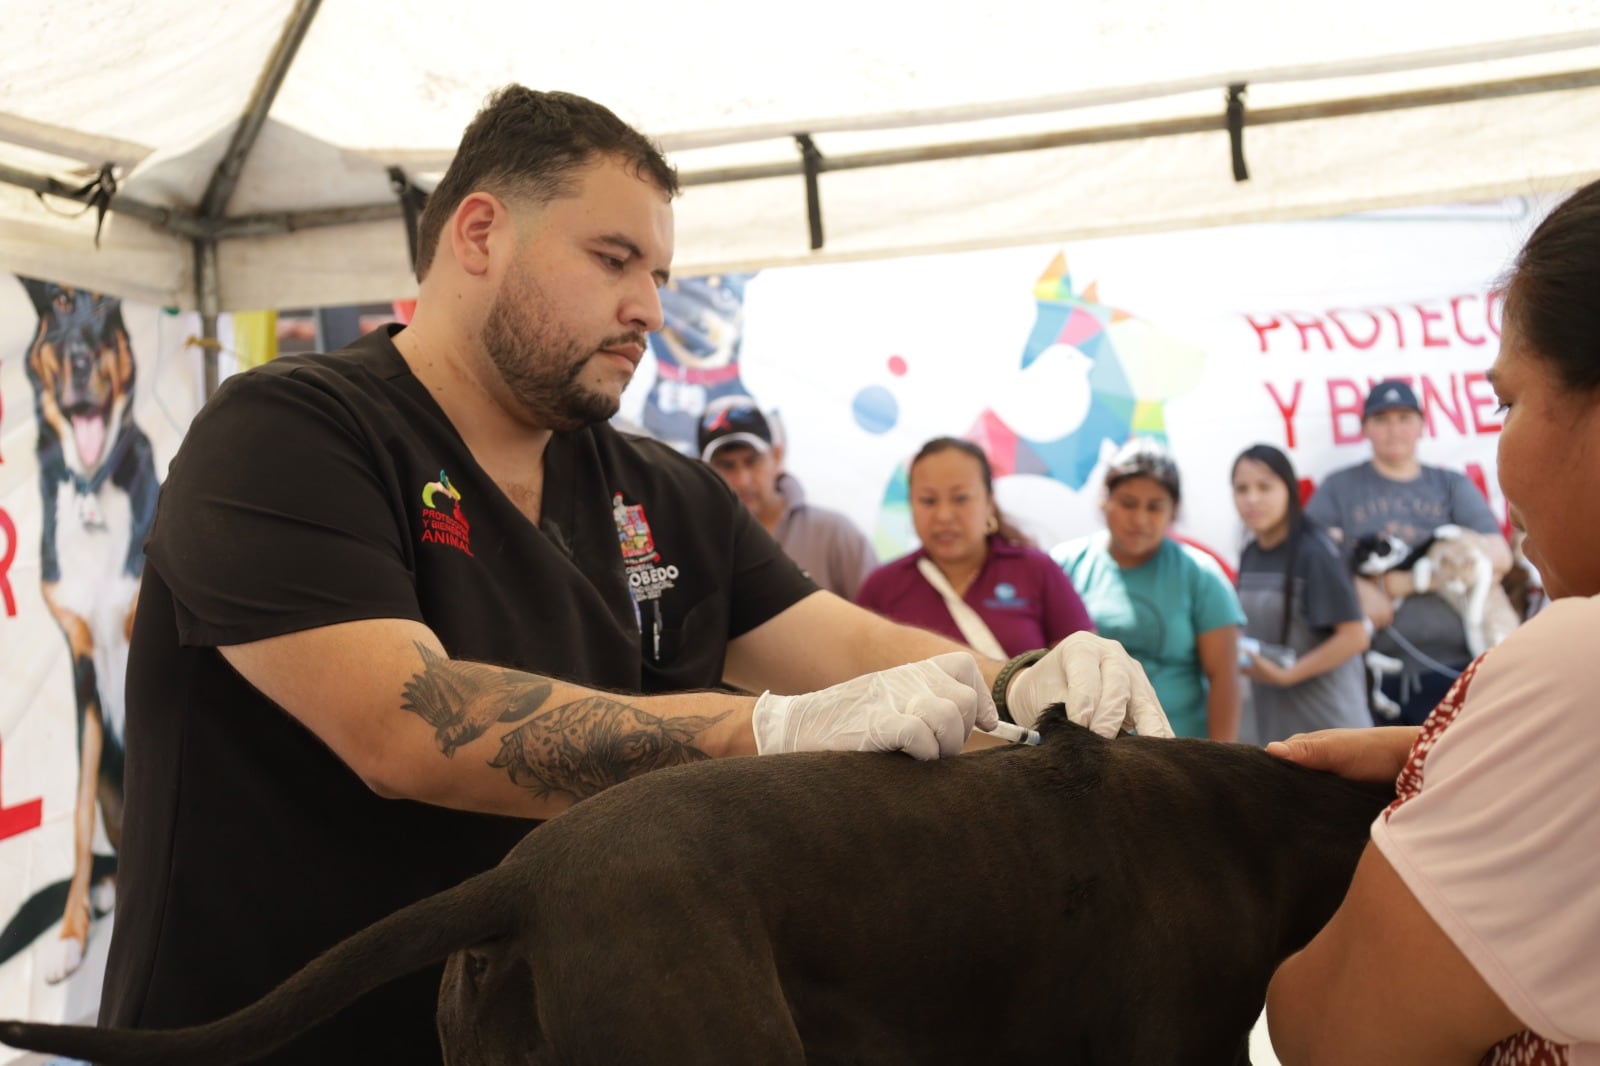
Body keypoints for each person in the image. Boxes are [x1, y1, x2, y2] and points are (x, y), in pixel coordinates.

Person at [95, 86, 1170, 1066]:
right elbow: (407, 725)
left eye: (659, 274)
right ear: (480, 234)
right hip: (265, 1038)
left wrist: (1014, 681)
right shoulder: (289, 432)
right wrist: (767, 730)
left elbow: (840, 642)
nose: (651, 307)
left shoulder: (662, 488)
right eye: (614, 260)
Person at [1266, 179, 1600, 1064]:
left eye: (1507, 402)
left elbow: (1330, 1037)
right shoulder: (1341, 494)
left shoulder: (1578, 661)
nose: (1499, 455)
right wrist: (1458, 751)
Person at [1304, 378, 1512, 725]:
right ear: (1365, 428)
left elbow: (1499, 557)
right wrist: (1357, 588)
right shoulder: (1339, 487)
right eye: (1382, 419)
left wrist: (1401, 583)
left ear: (1421, 425)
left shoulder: (1450, 485)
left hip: (1460, 667)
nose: (1394, 430)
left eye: (1404, 418)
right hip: (1375, 675)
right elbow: (1309, 555)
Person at [1054, 437, 1245, 740]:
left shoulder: (1201, 575)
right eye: (1128, 503)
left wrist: (1221, 759)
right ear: (1105, 500)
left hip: (1177, 753)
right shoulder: (1063, 566)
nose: (1140, 519)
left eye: (1154, 507)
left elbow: (1224, 678)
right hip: (1085, 751)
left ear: (1173, 511)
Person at [855, 437, 1094, 658]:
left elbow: (1083, 662)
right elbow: (856, 666)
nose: (944, 515)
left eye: (960, 498)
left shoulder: (1037, 570)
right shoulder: (882, 586)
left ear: (989, 502)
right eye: (928, 500)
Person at [1230, 444, 1370, 744]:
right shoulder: (1250, 554)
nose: (1252, 498)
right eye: (1242, 489)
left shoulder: (1315, 551)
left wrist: (1288, 675)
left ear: (1289, 490)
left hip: (1330, 726)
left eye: (1265, 487)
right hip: (1278, 728)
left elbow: (1354, 637)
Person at [697, 394, 878, 599]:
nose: (743, 481)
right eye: (725, 466)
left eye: (752, 461)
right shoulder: (695, 546)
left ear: (777, 456)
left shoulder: (834, 534)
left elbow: (879, 612)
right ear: (701, 470)